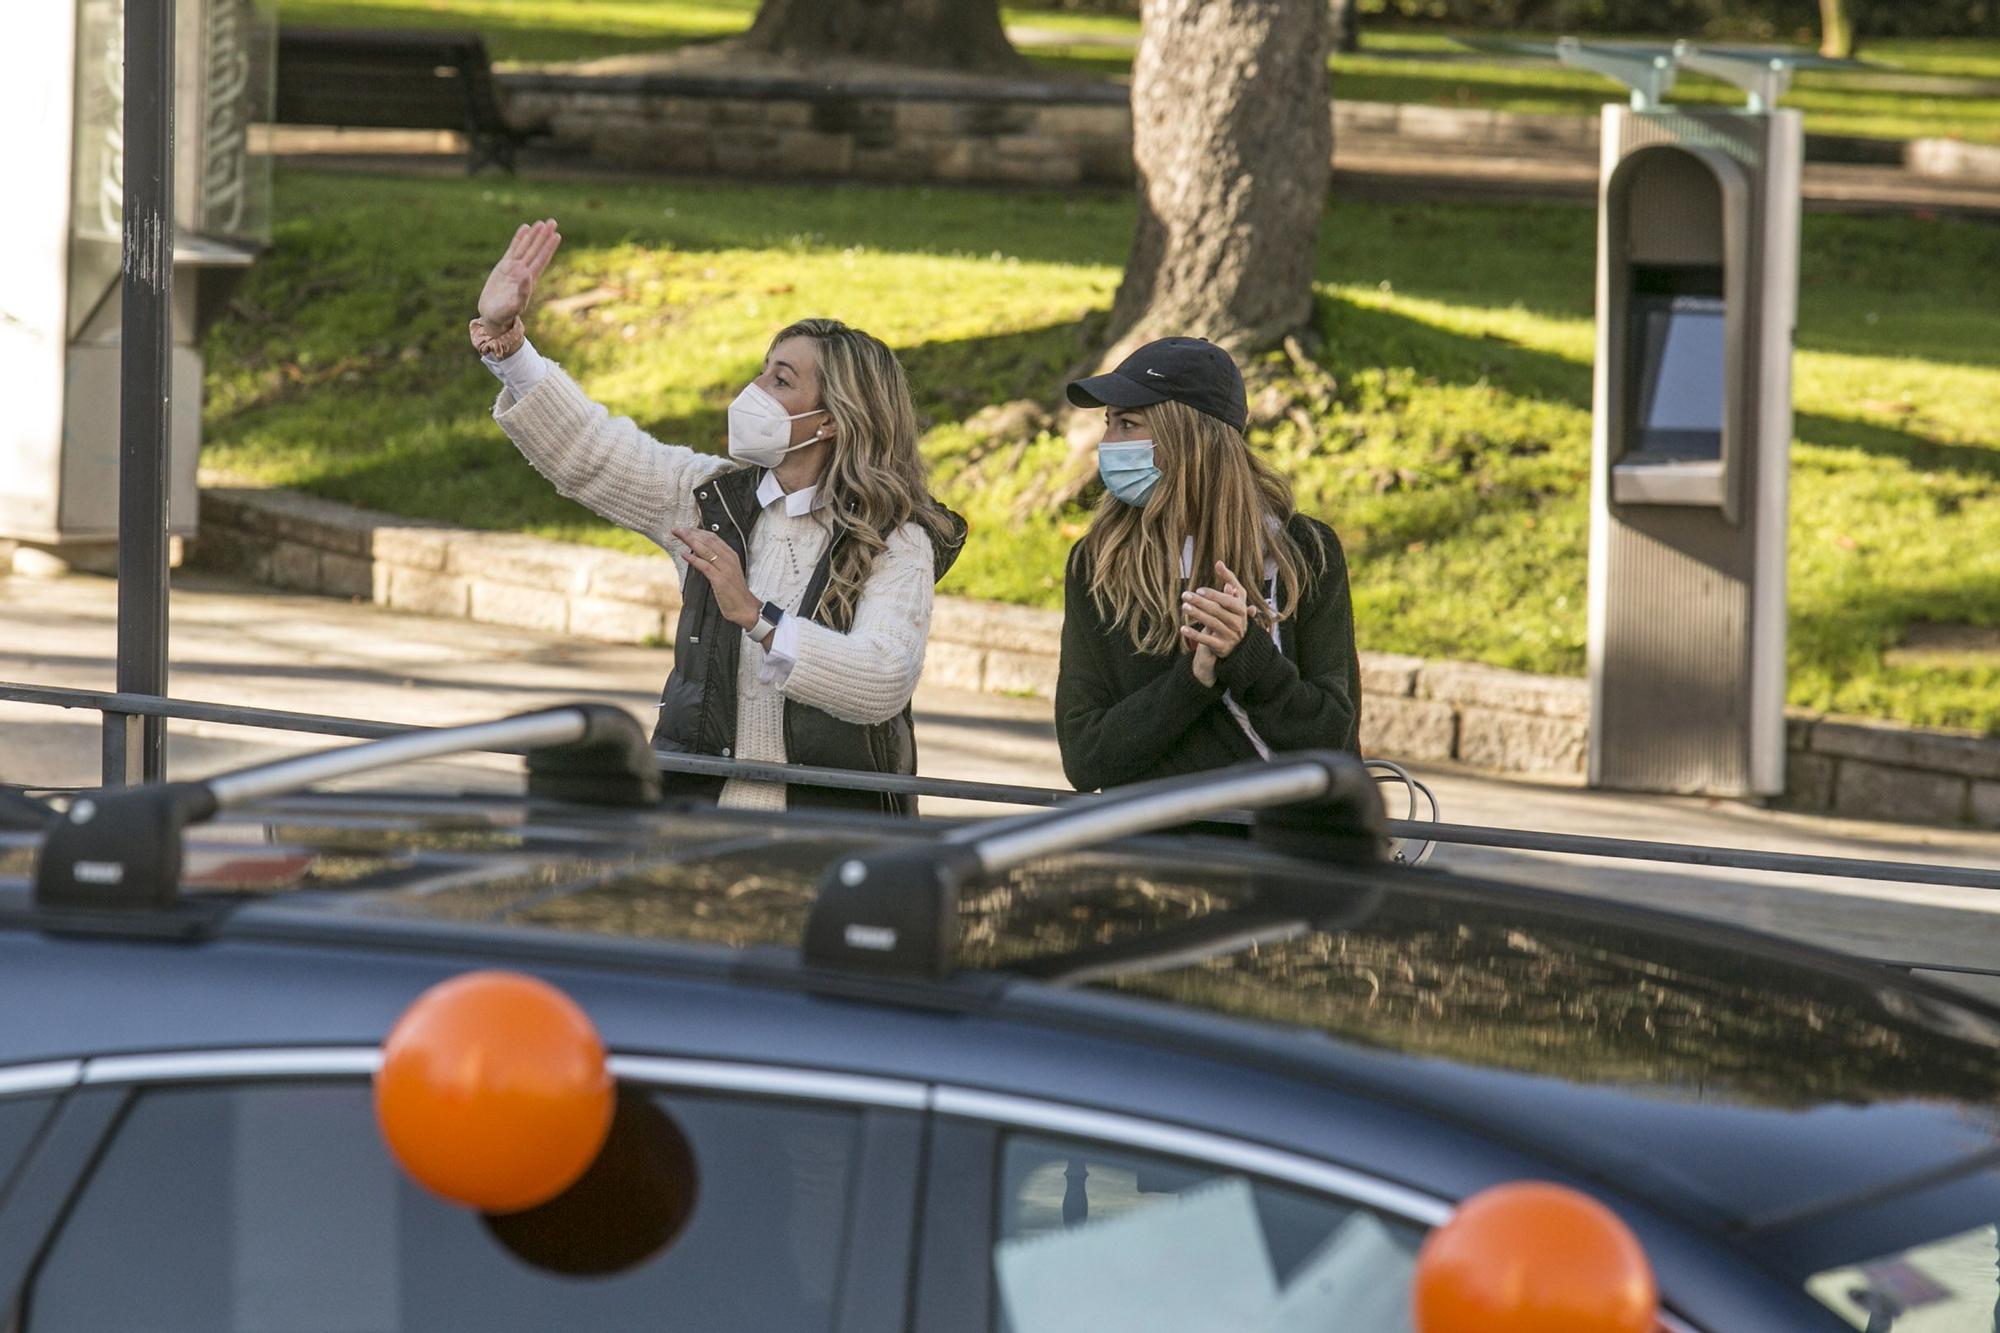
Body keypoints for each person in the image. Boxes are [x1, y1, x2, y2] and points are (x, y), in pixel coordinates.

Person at [470, 219, 965, 813]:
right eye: (762, 370)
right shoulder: (710, 496)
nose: (752, 390)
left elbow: (882, 678)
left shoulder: (896, 538)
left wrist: (754, 615)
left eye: (780, 380)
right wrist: (507, 343)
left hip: (833, 835)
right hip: (699, 820)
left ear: (831, 420)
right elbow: (591, 450)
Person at [1055, 337, 1361, 792]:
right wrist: (1192, 680)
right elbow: (1085, 758)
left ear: (1188, 435)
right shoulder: (1098, 561)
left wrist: (1247, 656)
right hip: (1147, 847)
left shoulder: (1303, 551)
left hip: (1279, 850)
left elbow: (1332, 739)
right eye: (1108, 424)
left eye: (1127, 424)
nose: (1108, 444)